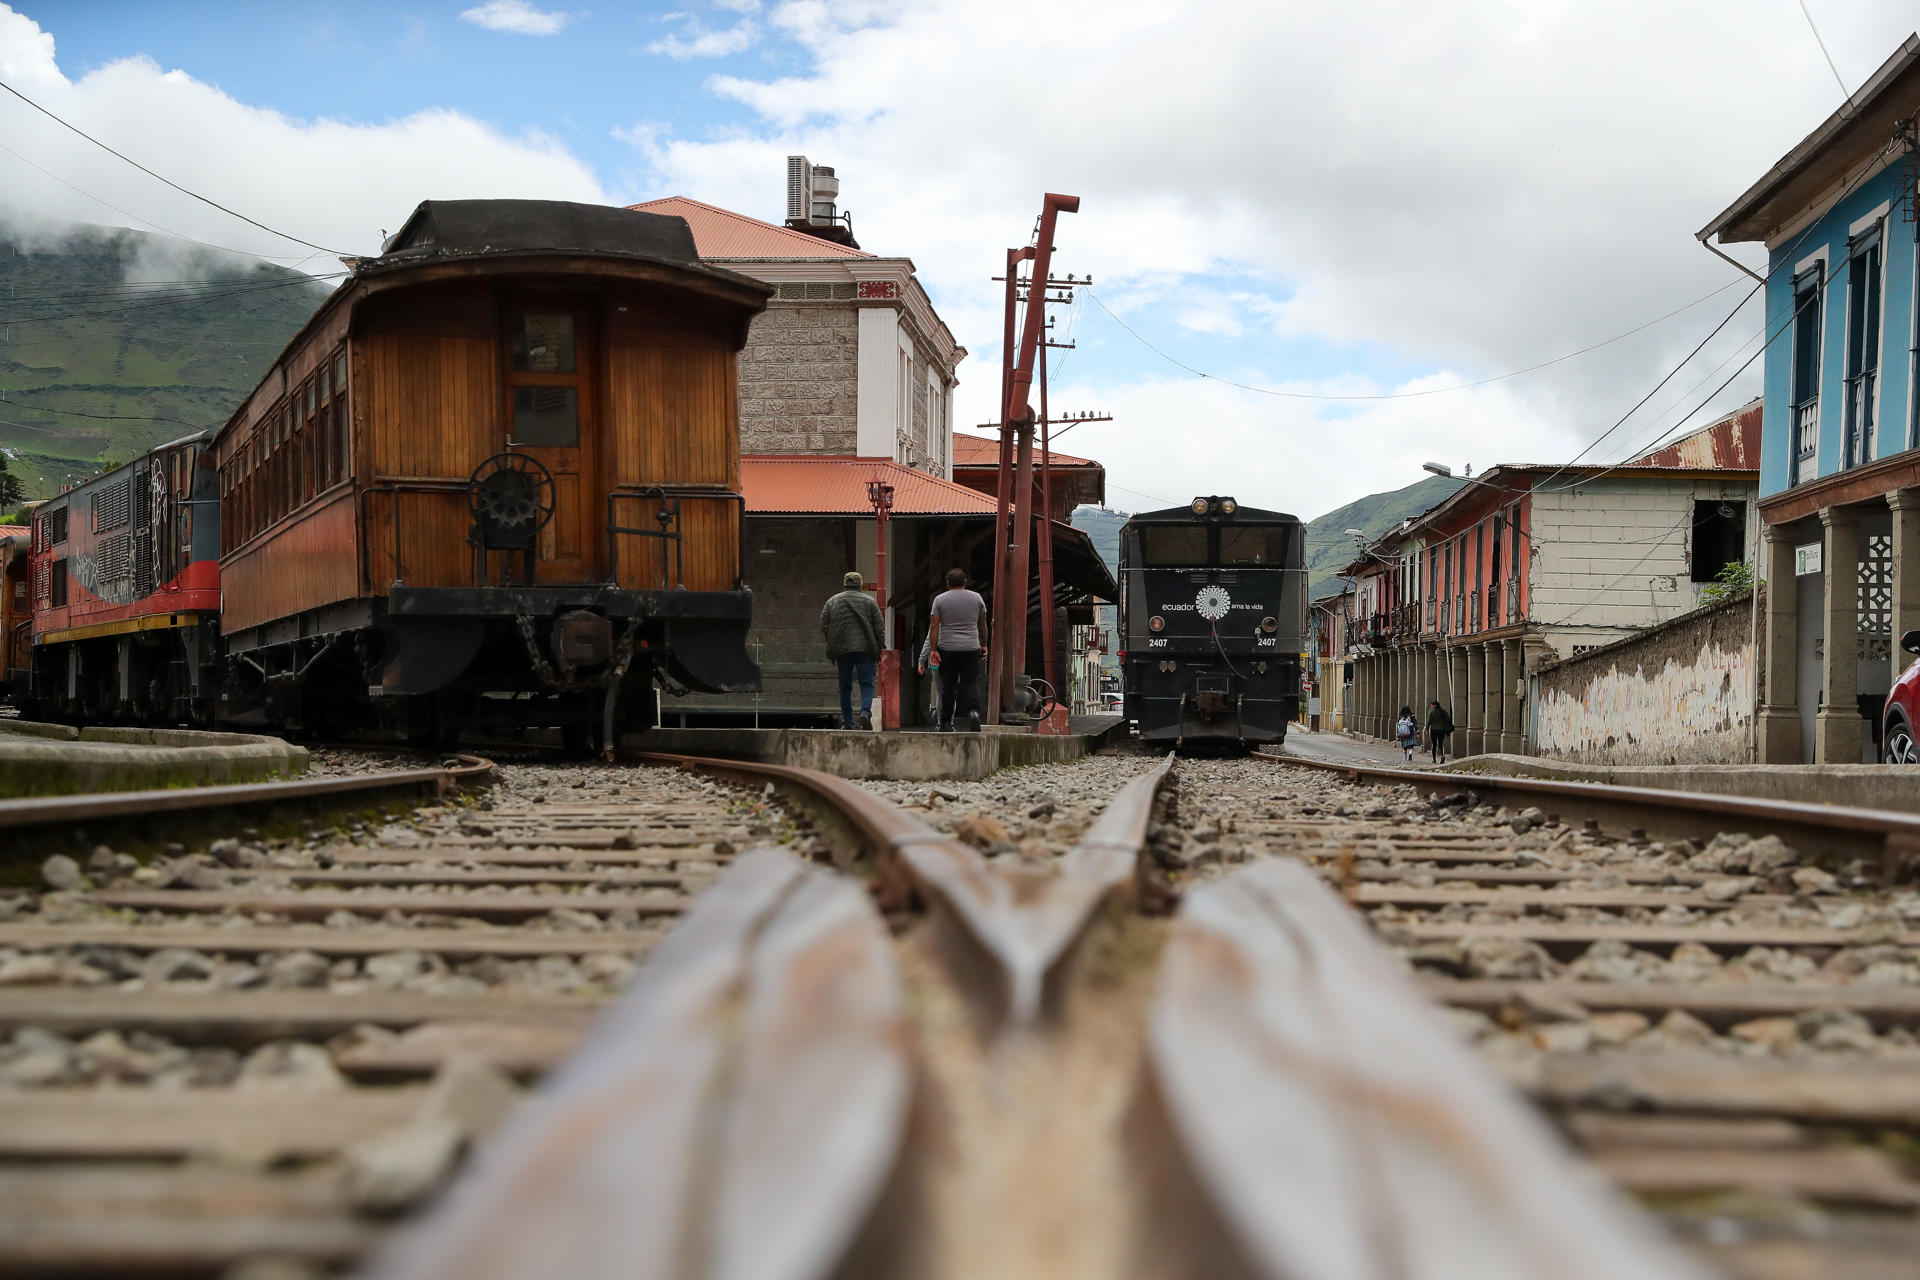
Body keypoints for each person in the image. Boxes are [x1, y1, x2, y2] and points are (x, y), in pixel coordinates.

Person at [924, 567, 989, 732]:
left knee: (948, 686)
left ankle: (945, 723)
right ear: (965, 582)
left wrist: (933, 650)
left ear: (947, 584)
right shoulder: (977, 598)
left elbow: (934, 627)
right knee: (971, 682)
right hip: (971, 647)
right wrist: (984, 644)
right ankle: (974, 713)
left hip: (948, 649)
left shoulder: (939, 600)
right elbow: (982, 625)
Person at [820, 570, 885, 730]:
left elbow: (824, 624)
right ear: (860, 585)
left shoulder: (832, 601)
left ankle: (847, 722)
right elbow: (879, 627)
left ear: (844, 584)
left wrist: (833, 638)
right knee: (867, 684)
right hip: (865, 649)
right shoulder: (869, 601)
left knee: (844, 686)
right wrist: (880, 648)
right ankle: (865, 713)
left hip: (843, 650)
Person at [1426, 698, 1455, 764]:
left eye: (1432, 705)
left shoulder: (1431, 712)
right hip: (1442, 730)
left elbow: (1428, 721)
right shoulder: (1443, 711)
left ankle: (1434, 759)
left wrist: (1427, 729)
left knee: (1434, 744)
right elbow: (1448, 719)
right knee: (1440, 744)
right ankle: (1442, 755)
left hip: (1433, 730)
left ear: (1435, 705)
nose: (1431, 706)